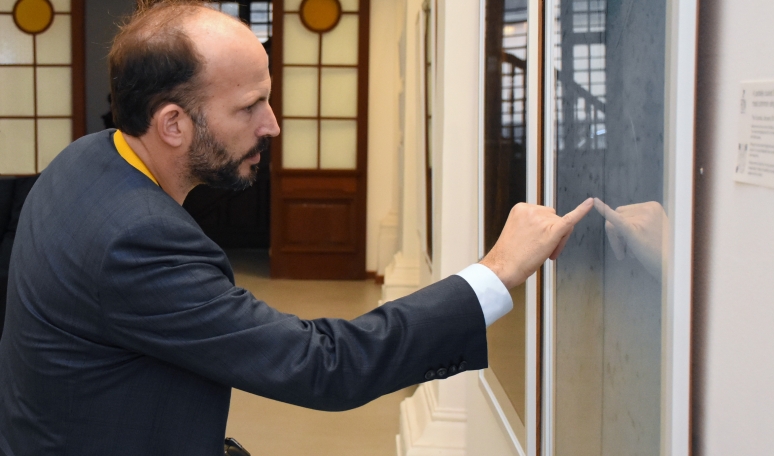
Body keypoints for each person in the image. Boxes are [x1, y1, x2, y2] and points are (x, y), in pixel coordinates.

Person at [0, 1, 593, 455]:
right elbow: (324, 365)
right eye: (249, 106)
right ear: (173, 124)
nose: (273, 124)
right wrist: (495, 273)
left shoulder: (86, 157)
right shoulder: (138, 240)